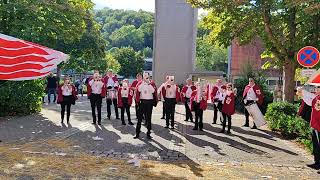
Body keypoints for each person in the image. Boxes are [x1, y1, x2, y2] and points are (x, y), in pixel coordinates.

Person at [297, 85, 320, 169]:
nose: (316, 89)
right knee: (316, 146)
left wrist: (303, 92)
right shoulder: (316, 97)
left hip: (319, 125)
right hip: (314, 124)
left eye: (318, 88)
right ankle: (317, 163)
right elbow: (309, 102)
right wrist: (302, 93)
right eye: (316, 88)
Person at [134, 72, 158, 139]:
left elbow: (153, 91)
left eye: (147, 76)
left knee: (148, 118)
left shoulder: (152, 83)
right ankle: (137, 133)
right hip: (142, 102)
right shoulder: (140, 83)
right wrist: (143, 83)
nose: (146, 77)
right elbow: (138, 90)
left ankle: (148, 133)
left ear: (149, 76)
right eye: (144, 76)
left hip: (149, 102)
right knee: (139, 119)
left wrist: (148, 83)